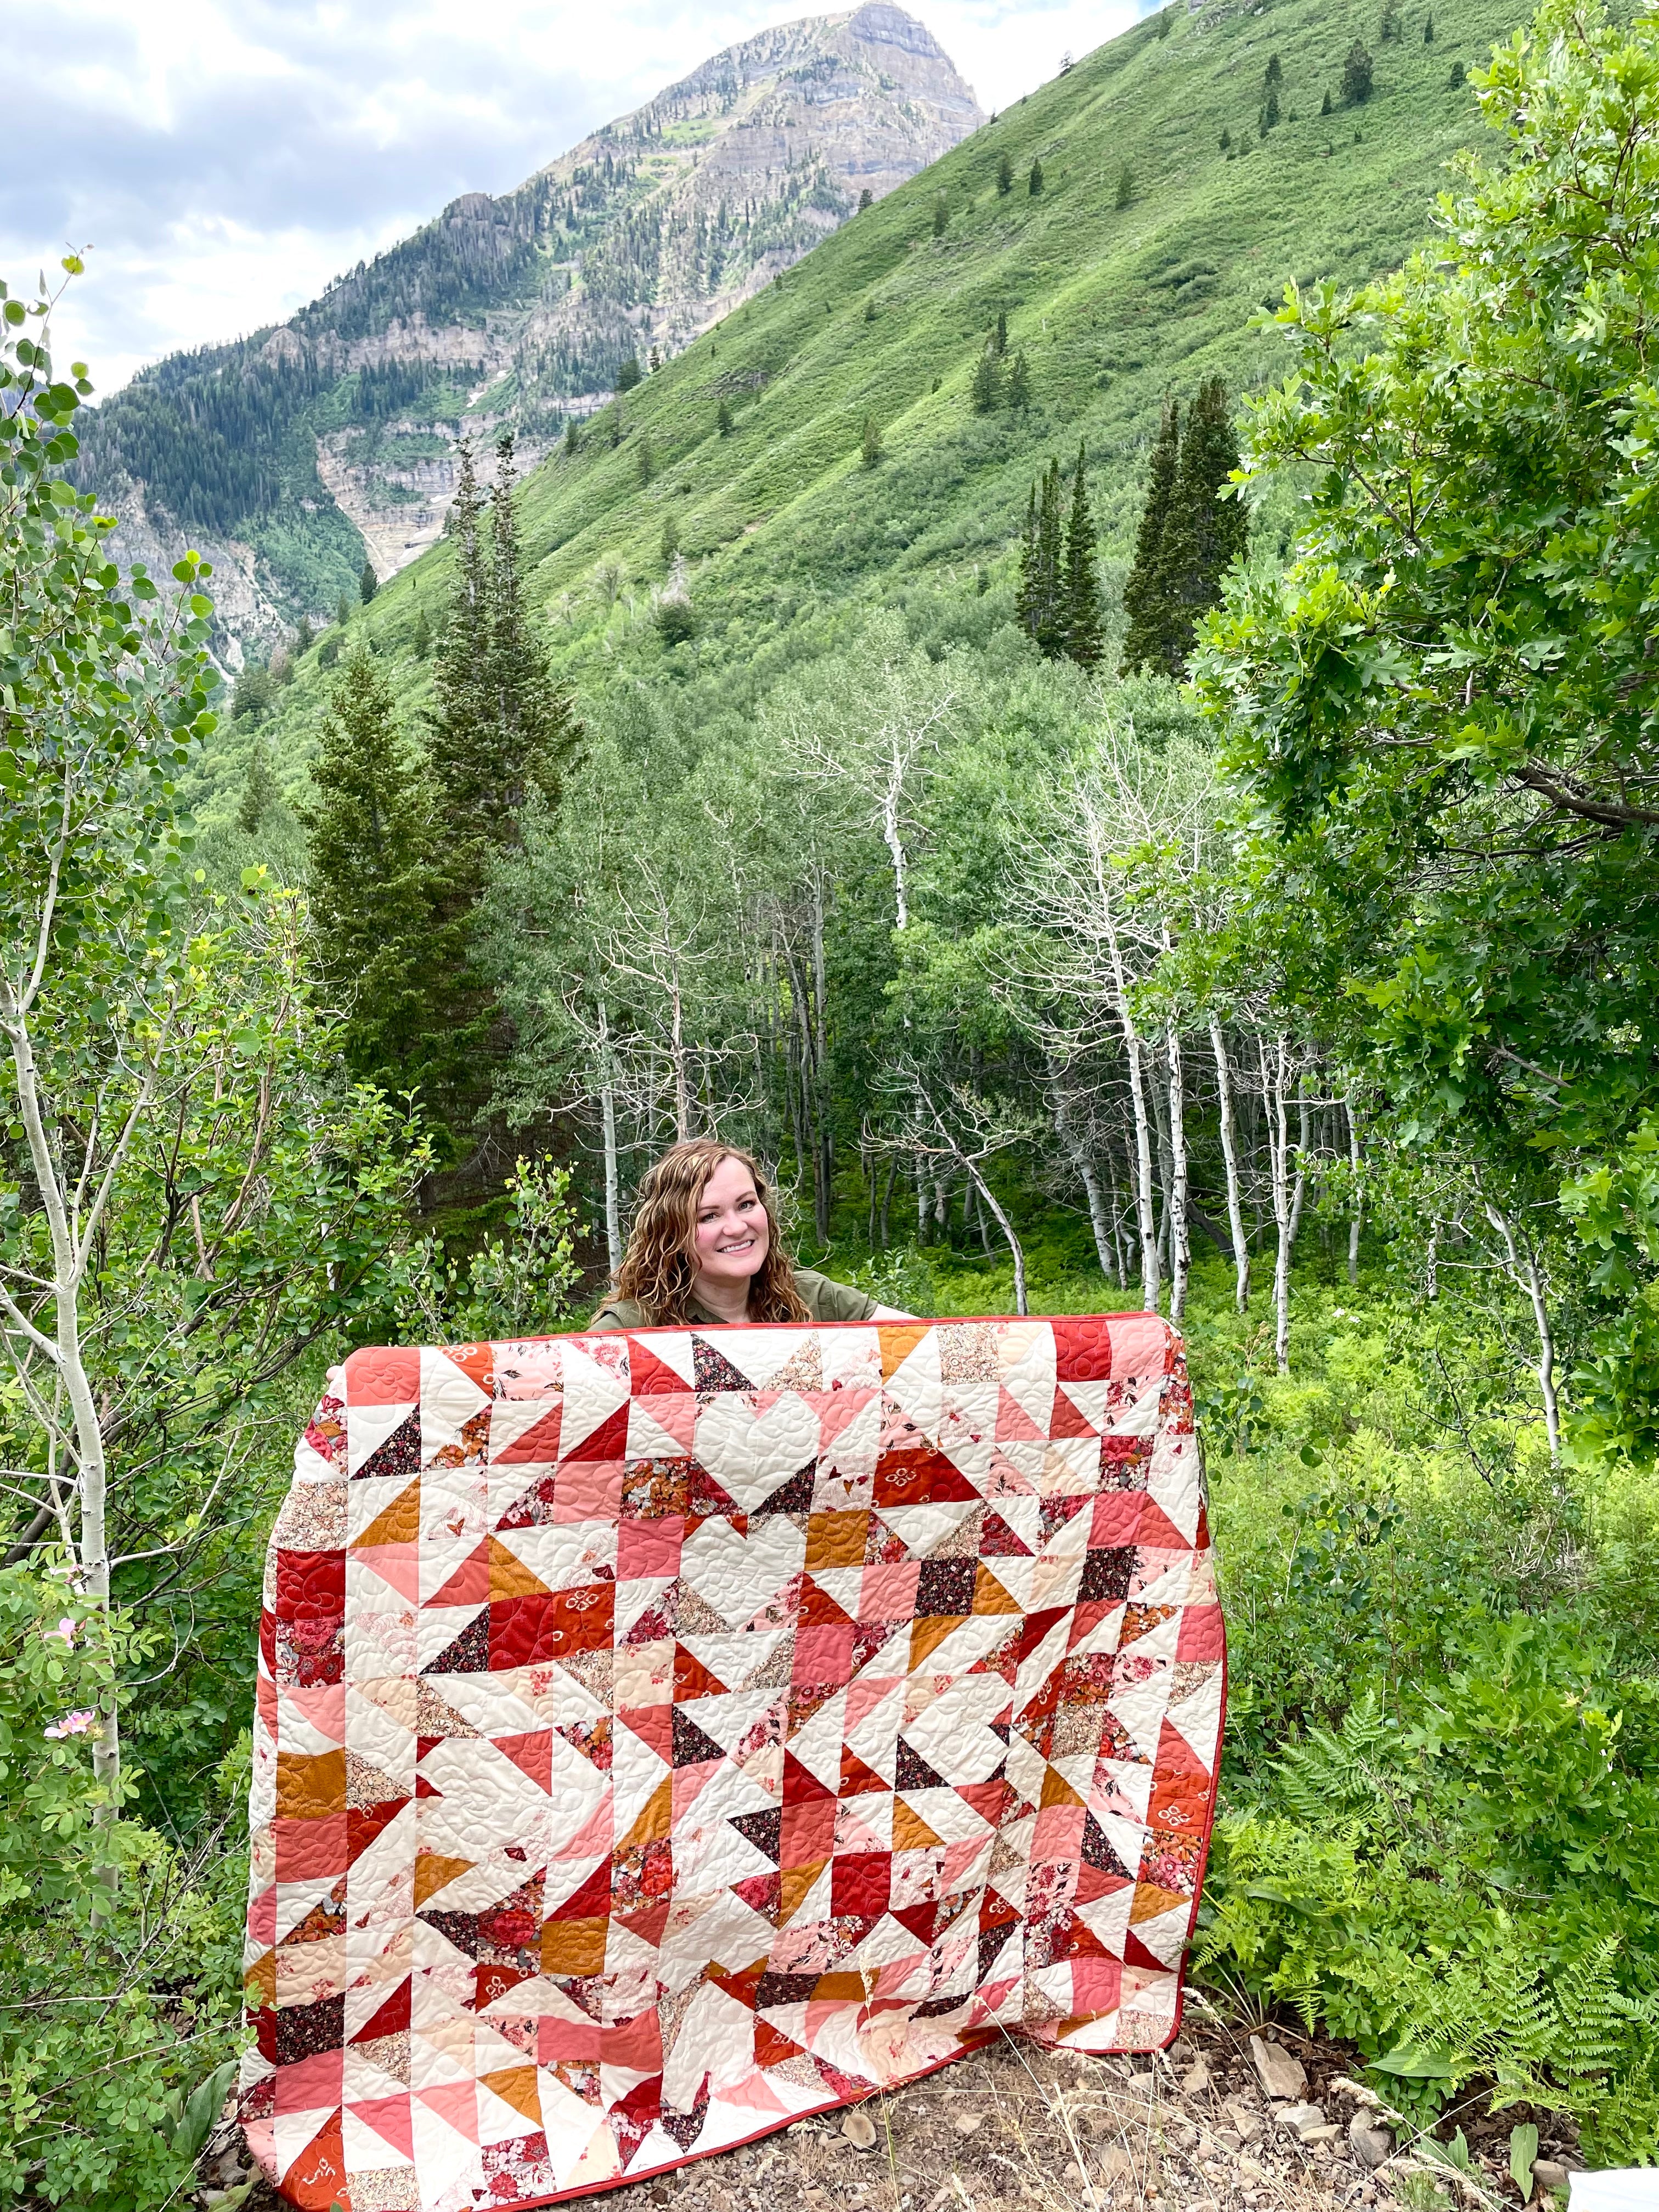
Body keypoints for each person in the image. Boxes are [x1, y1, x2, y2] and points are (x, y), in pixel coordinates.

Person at [586, 1138, 910, 1330]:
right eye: (709, 1216)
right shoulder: (631, 1327)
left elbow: (932, 1348)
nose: (737, 1227)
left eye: (745, 1205)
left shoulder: (814, 1298)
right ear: (672, 1233)